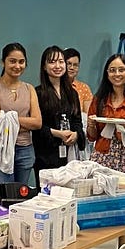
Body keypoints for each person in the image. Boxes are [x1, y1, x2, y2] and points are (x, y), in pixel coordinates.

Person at [86, 54, 125, 235]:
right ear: (107, 74)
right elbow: (92, 137)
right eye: (112, 70)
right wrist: (91, 125)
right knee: (101, 199)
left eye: (121, 70)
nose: (117, 74)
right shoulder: (98, 101)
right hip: (102, 156)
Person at [0, 42, 42, 186]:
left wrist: (10, 120)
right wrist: (24, 123)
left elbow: (37, 122)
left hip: (25, 150)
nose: (17, 66)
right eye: (12, 61)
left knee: (20, 199)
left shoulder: (29, 89)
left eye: (21, 62)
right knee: (4, 196)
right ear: (3, 62)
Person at [33, 45, 85, 181]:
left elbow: (77, 121)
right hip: (46, 155)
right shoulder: (37, 93)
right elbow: (37, 127)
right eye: (52, 62)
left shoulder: (72, 93)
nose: (57, 66)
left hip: (69, 155)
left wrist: (76, 134)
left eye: (61, 62)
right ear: (44, 66)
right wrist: (57, 133)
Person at [63, 47, 94, 114]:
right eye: (69, 64)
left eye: (75, 65)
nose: (72, 68)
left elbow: (89, 114)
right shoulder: (56, 86)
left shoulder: (84, 88)